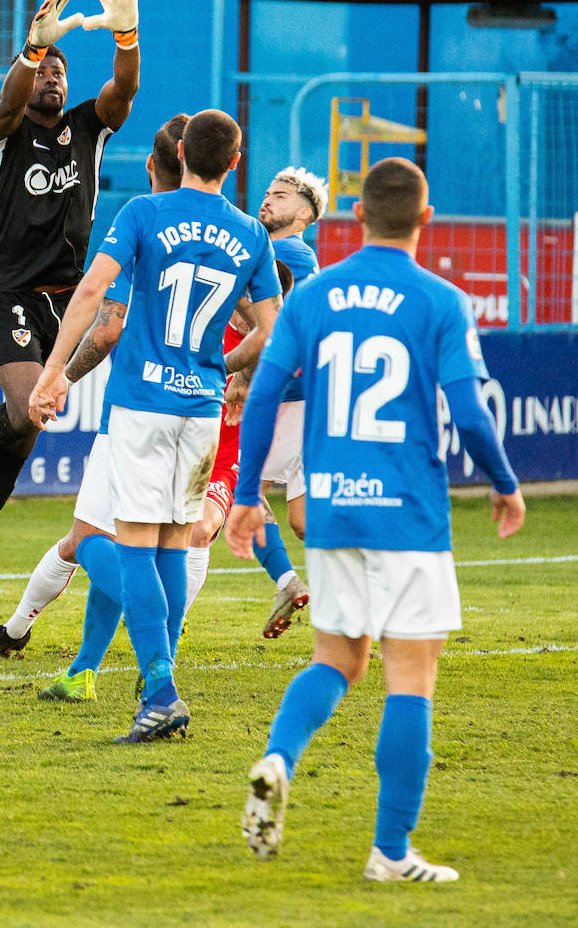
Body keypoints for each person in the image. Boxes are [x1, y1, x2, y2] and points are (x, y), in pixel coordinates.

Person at [227, 156, 526, 882]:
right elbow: (470, 412)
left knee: (338, 659)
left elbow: (262, 395)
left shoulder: (312, 296)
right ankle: (390, 852)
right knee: (408, 678)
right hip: (408, 517)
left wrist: (243, 495)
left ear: (356, 216)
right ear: (426, 220)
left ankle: (276, 757)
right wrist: (504, 482)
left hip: (331, 509)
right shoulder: (442, 302)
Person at [30, 109, 280, 743]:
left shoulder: (142, 212)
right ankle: (158, 680)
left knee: (135, 542)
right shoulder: (253, 234)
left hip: (141, 403)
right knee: (173, 542)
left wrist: (53, 371)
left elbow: (91, 293)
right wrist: (219, 367)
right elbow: (270, 331)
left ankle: (162, 690)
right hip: (201, 412)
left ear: (180, 154)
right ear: (235, 161)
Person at [0, 0, 141, 623]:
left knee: (27, 432)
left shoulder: (88, 127)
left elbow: (124, 90)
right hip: (9, 293)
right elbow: (4, 102)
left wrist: (126, 36)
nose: (53, 77)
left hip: (63, 300)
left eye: (59, 70)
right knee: (23, 414)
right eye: (45, 69)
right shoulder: (6, 132)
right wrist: (30, 50)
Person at [185, 162, 328, 637]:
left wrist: (241, 380)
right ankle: (304, 580)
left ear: (306, 213)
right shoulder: (285, 251)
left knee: (236, 500)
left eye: (282, 195)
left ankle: (352, 567)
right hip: (300, 398)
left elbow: (263, 324)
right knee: (298, 519)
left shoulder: (288, 252)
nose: (268, 199)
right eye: (268, 192)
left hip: (287, 400)